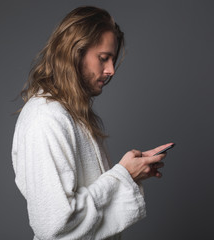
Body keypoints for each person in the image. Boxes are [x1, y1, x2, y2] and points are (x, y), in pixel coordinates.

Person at [12, 6, 172, 240]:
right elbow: (55, 225)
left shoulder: (72, 113)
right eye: (103, 58)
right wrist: (122, 175)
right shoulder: (45, 118)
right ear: (74, 53)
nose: (111, 70)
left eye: (113, 60)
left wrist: (131, 175)